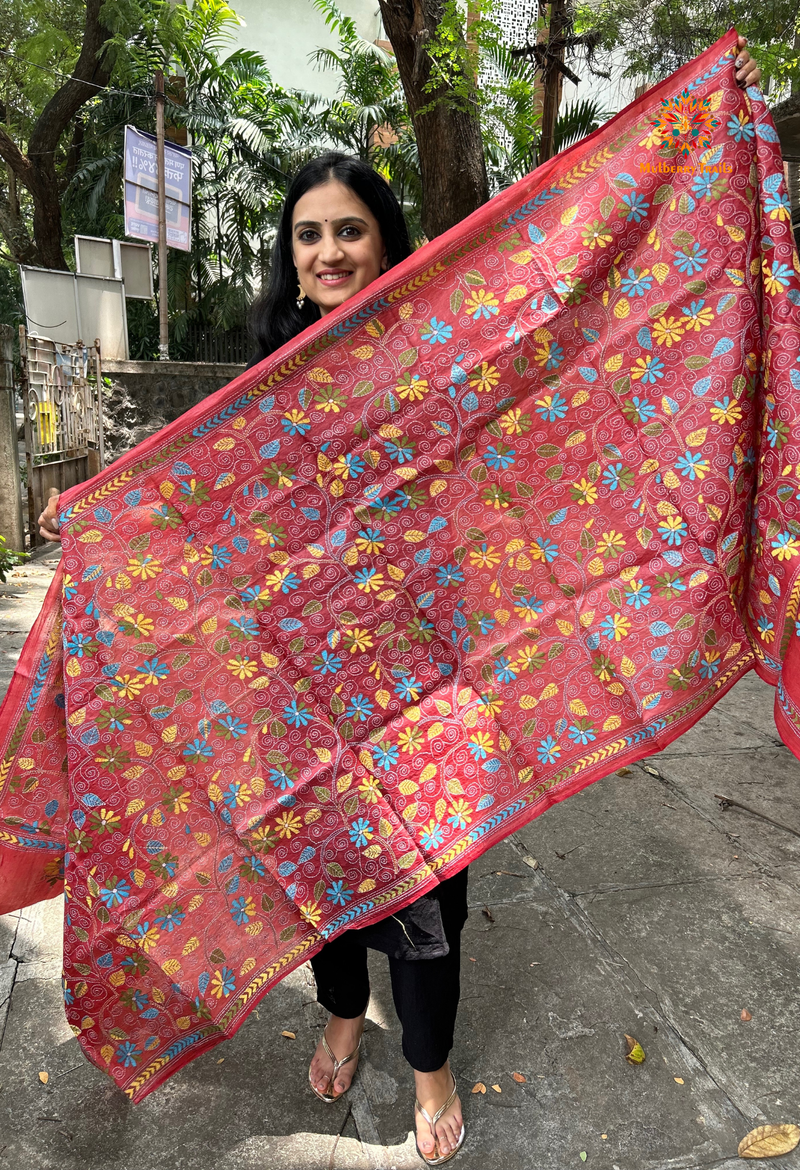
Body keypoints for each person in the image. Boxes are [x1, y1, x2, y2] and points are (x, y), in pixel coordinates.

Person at [36, 36, 762, 1163]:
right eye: (308, 234)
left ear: (385, 242)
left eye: (349, 229)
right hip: (295, 683)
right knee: (314, 868)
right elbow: (197, 514)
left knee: (424, 899)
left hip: (430, 682)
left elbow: (531, 423)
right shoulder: (265, 377)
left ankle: (427, 1066)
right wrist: (98, 517)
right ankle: (338, 1010)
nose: (328, 250)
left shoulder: (446, 356)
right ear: (290, 254)